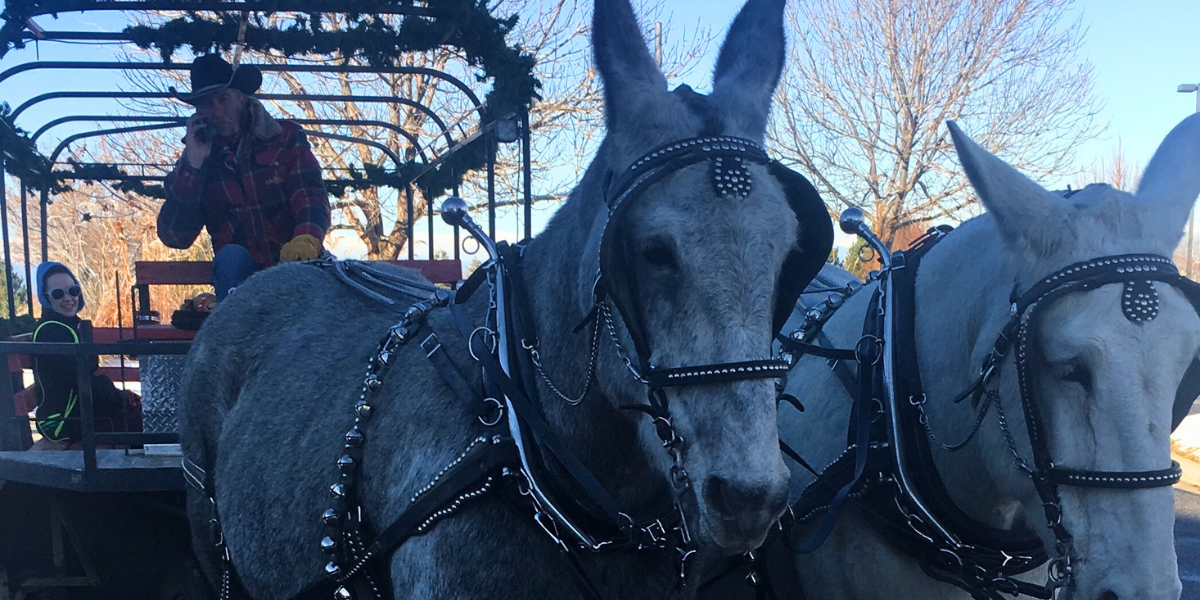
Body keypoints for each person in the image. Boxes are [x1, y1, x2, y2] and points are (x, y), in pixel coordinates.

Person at [158, 54, 332, 301]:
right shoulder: (195, 161)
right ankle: (235, 334)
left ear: (241, 98)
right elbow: (175, 237)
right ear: (198, 113)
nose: (216, 110)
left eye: (223, 99)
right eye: (207, 104)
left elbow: (310, 194)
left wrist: (306, 238)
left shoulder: (286, 137)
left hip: (293, 263)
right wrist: (194, 164)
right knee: (231, 257)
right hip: (237, 281)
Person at [31, 262, 142, 443]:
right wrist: (120, 398)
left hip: (81, 412)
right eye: (58, 294)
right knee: (145, 428)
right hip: (61, 421)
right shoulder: (51, 331)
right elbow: (78, 380)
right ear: (46, 298)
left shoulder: (72, 326)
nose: (68, 298)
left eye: (73, 291)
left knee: (142, 421)